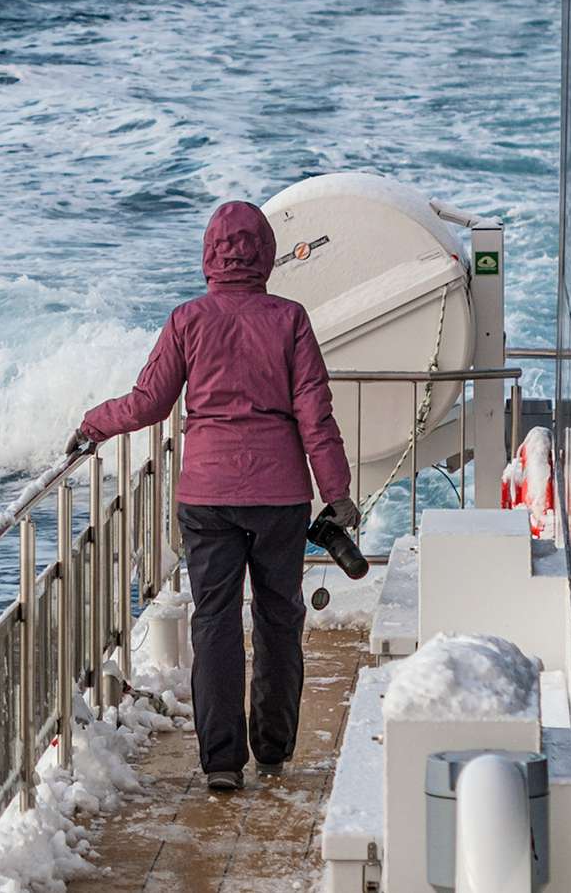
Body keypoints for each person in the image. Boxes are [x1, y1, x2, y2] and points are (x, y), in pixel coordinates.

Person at [66, 200, 360, 793]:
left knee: (215, 623)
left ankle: (221, 763)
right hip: (280, 497)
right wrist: (338, 493)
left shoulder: (187, 320)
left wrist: (92, 424)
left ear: (209, 255)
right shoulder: (290, 319)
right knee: (280, 621)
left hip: (207, 496)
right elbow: (315, 415)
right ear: (268, 256)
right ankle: (273, 752)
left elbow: (147, 403)